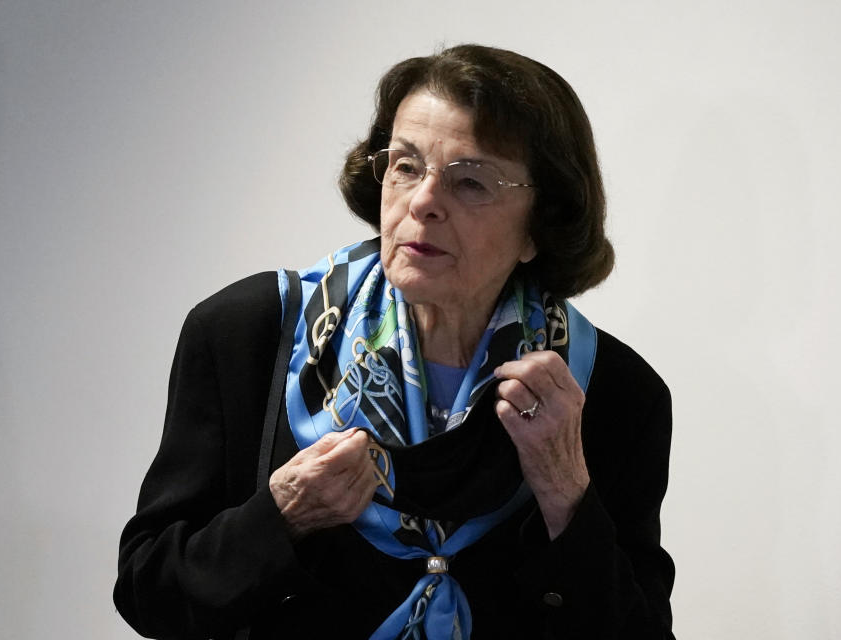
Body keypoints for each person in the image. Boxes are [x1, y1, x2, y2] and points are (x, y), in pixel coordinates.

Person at [114, 44, 675, 639]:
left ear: (541, 225)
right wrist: (281, 517)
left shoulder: (608, 392)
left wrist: (568, 498)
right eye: (405, 166)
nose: (423, 202)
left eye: (472, 183)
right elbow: (150, 594)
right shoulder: (250, 334)